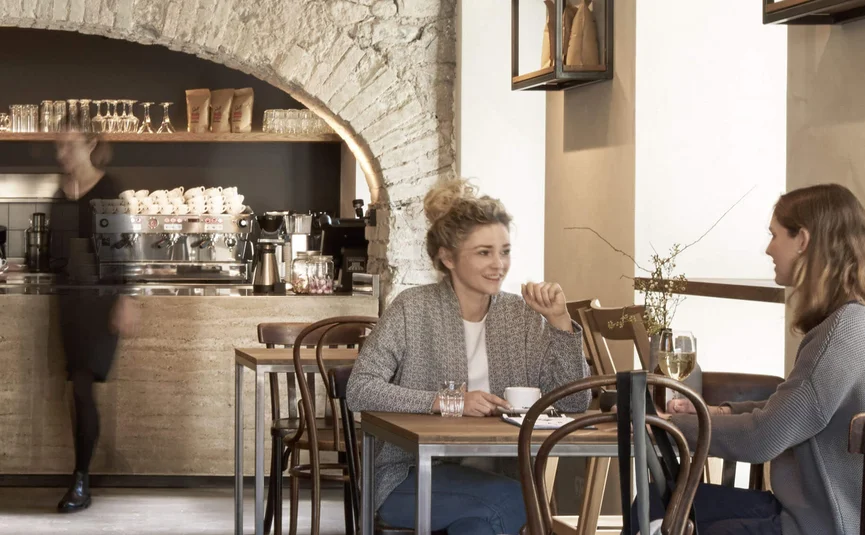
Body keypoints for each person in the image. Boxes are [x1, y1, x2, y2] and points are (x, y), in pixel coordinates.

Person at [346, 179, 592, 535]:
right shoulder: (412, 308)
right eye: (484, 252)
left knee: (488, 521)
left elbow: (576, 400)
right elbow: (360, 389)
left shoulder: (519, 314)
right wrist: (448, 402)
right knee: (516, 502)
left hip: (498, 473)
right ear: (447, 257)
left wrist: (559, 322)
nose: (499, 265)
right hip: (410, 476)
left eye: (504, 251)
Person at [656, 183, 865, 535]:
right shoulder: (844, 323)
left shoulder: (842, 334)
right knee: (656, 499)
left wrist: (664, 424)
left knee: (667, 511)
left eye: (774, 235)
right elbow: (791, 410)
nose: (768, 248)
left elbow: (763, 437)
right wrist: (717, 412)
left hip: (820, 525)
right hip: (801, 511)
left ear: (803, 240)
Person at [54, 133, 138, 513]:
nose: (62, 152)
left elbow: (122, 250)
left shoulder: (107, 188)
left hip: (99, 307)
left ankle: (81, 481)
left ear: (89, 145)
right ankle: (82, 477)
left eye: (68, 144)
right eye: (59, 145)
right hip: (69, 306)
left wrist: (125, 297)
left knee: (83, 389)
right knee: (77, 390)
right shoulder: (61, 192)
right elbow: (56, 253)